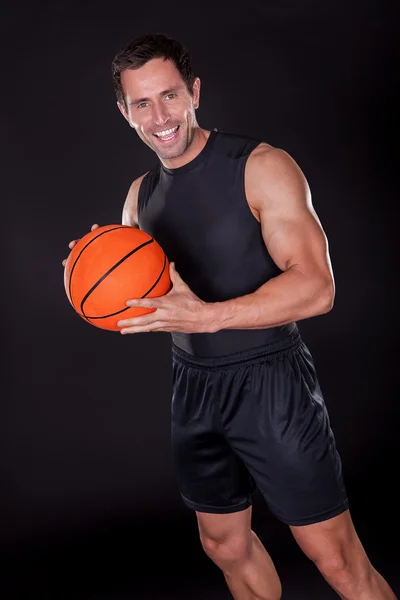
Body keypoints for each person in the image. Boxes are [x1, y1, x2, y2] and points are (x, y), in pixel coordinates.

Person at [63, 33, 397, 600]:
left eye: (170, 96)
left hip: (272, 381)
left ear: (194, 92)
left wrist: (210, 317)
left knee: (337, 561)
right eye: (142, 103)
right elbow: (150, 303)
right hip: (194, 387)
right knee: (224, 545)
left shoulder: (261, 166)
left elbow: (318, 288)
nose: (160, 116)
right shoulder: (138, 198)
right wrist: (90, 275)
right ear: (125, 113)